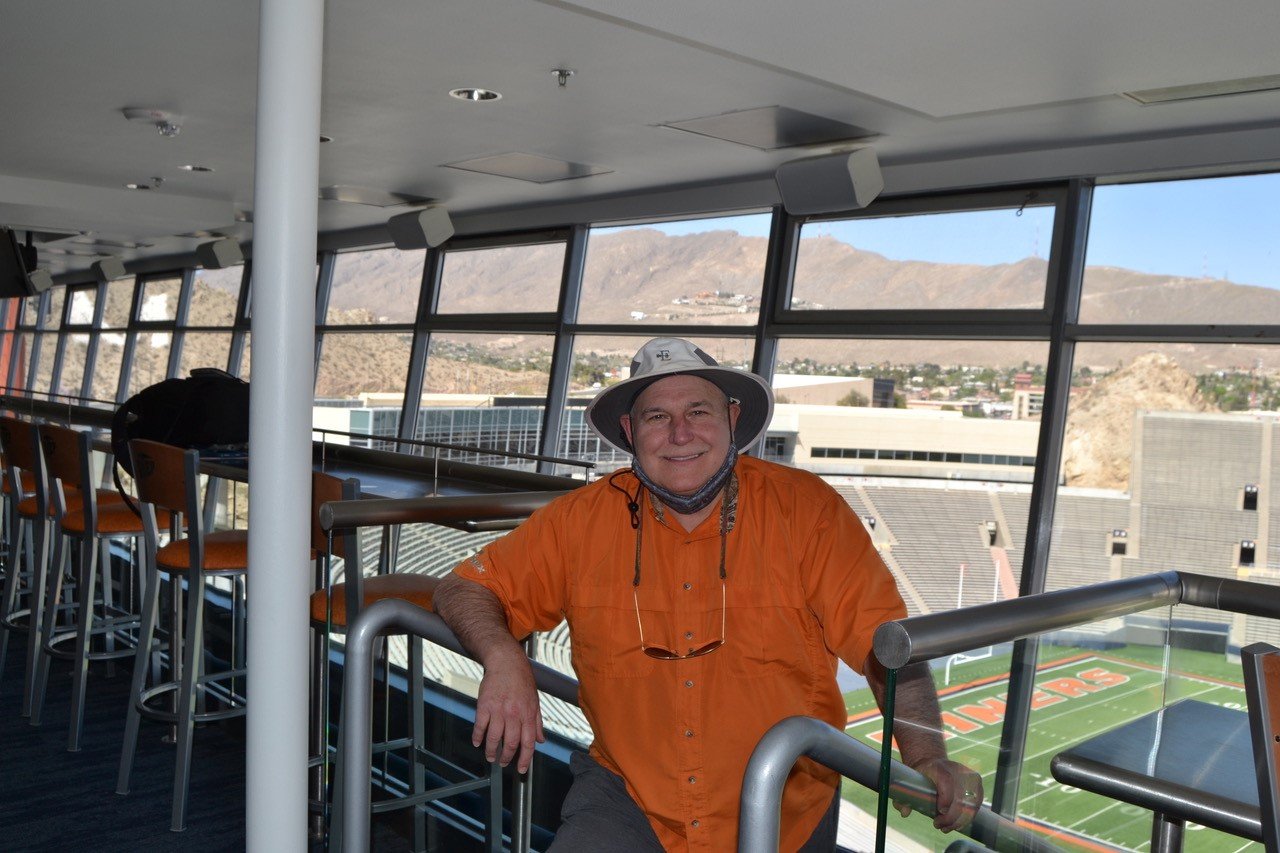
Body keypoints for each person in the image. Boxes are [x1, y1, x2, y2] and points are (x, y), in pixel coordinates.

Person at [433, 337, 982, 852]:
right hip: (628, 800)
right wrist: (504, 657)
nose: (679, 434)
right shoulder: (578, 521)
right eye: (657, 417)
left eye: (698, 411)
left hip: (785, 806)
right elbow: (465, 587)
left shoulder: (808, 512)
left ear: (732, 420)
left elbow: (886, 645)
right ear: (630, 430)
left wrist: (927, 755)